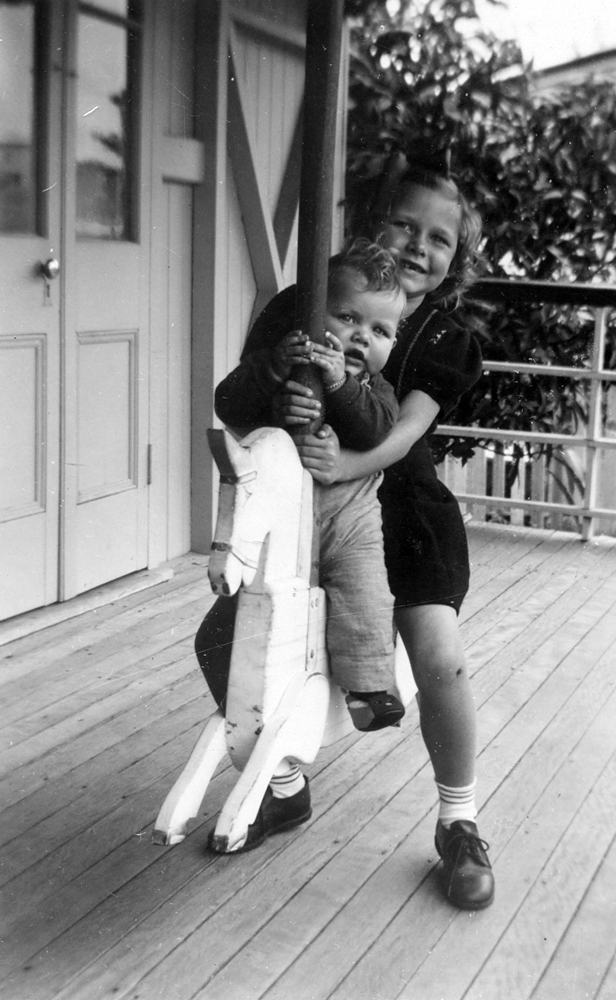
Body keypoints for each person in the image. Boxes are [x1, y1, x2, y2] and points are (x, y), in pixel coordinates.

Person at [283, 159, 495, 910]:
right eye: (403, 223)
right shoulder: (311, 303)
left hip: (404, 513)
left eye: (438, 239)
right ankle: (279, 778)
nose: (416, 245)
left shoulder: (443, 335)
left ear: (454, 263)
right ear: (373, 221)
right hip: (312, 509)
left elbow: (405, 432)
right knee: (264, 640)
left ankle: (458, 819)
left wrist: (342, 463)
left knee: (441, 659)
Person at [195, 240, 408, 852]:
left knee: (363, 587)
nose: (361, 336)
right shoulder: (283, 363)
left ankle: (370, 687)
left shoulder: (378, 390)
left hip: (345, 516)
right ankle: (274, 753)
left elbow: (372, 428)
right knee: (217, 640)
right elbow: (228, 402)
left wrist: (340, 387)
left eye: (380, 329)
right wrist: (270, 369)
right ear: (313, 318)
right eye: (346, 318)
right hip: (283, 527)